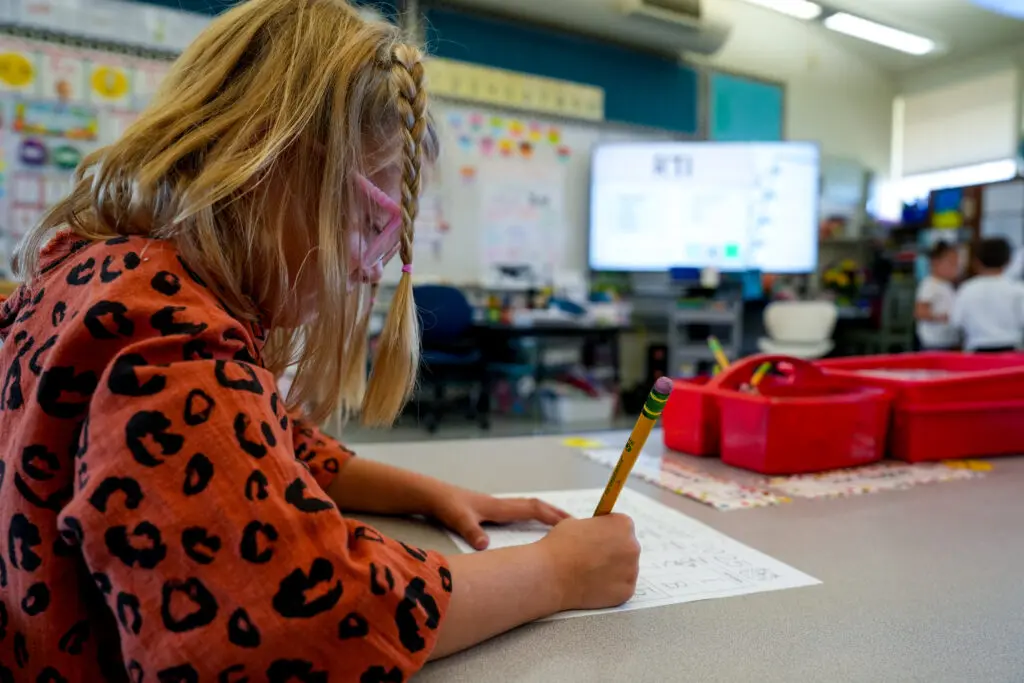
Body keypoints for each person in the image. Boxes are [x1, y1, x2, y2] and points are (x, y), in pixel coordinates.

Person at [0, 1, 641, 681]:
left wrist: (419, 490)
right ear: (273, 161)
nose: (370, 265)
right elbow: (302, 621)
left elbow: (264, 439)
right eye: (374, 220)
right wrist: (556, 572)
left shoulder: (108, 274)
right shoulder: (171, 348)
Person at [951, 237, 1024, 352]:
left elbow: (956, 321)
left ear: (977, 261)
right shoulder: (1017, 289)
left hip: (977, 351)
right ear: (1009, 260)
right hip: (1011, 350)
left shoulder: (967, 289)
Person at [914, 241, 960, 350]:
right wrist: (940, 317)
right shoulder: (929, 284)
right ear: (935, 263)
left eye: (957, 264)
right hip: (934, 343)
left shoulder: (947, 285)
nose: (956, 269)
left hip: (949, 341)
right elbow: (920, 312)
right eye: (952, 264)